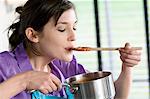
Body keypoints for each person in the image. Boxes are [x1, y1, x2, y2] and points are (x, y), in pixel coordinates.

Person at [0, 0, 141, 99]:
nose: (73, 36)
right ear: (33, 34)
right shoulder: (4, 65)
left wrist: (126, 67)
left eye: (74, 27)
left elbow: (116, 96)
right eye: (62, 29)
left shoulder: (66, 67)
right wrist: (24, 80)